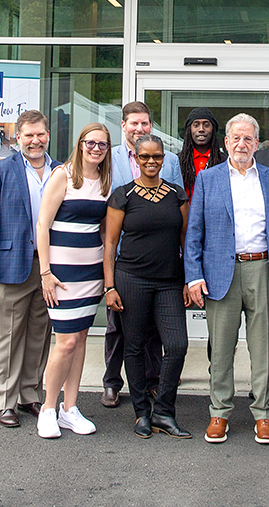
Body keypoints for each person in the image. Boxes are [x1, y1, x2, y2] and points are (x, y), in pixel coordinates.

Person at [185, 114, 269, 445]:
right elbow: (195, 232)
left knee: (263, 347)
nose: (242, 144)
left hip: (263, 269)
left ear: (257, 144)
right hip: (220, 272)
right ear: (226, 142)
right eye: (235, 138)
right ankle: (220, 412)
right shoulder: (208, 179)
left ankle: (263, 414)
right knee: (221, 349)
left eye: (248, 139)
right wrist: (193, 275)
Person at [0, 109, 60, 427]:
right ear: (18, 138)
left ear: (48, 135)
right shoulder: (1, 170)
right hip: (10, 265)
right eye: (29, 135)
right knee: (8, 336)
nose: (35, 141)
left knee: (39, 334)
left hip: (49, 267)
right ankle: (5, 400)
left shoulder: (61, 170)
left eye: (40, 134)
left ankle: (30, 395)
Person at [104, 134, 192, 440]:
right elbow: (110, 244)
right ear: (136, 159)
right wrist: (109, 286)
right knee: (134, 345)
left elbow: (185, 242)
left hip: (169, 281)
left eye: (157, 157)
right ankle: (142, 412)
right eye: (145, 158)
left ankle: (164, 411)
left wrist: (186, 280)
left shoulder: (177, 195)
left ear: (164, 159)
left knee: (178, 344)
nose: (151, 162)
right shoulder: (122, 195)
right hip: (131, 279)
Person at [34, 122, 112, 438]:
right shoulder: (62, 175)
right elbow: (42, 225)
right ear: (80, 144)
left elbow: (105, 232)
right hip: (62, 275)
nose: (96, 149)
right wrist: (46, 273)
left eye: (103, 145)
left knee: (80, 340)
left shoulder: (105, 181)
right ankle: (48, 409)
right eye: (91, 143)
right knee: (65, 341)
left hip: (91, 273)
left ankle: (70, 408)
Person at [178, 106, 226, 200]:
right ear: (189, 130)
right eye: (196, 125)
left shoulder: (224, 162)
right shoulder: (178, 161)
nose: (201, 129)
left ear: (213, 129)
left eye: (206, 125)